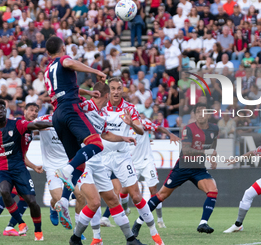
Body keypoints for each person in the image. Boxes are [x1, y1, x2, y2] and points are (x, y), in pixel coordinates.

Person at [86, 77, 163, 245]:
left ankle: (154, 233)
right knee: (95, 198)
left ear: (123, 90)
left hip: (122, 157)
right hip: (101, 157)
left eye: (118, 88)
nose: (115, 91)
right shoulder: (99, 106)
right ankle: (96, 237)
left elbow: (141, 131)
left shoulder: (130, 108)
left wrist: (132, 125)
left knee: (136, 196)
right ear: (108, 91)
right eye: (112, 88)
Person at [70, 81, 146, 245]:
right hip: (84, 161)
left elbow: (105, 134)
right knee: (95, 202)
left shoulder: (99, 114)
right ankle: (76, 238)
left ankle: (130, 239)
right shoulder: (86, 106)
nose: (110, 99)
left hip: (98, 161)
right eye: (109, 94)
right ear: (105, 95)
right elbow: (71, 96)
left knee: (112, 199)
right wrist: (88, 93)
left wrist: (124, 138)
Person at [132, 103, 219, 235]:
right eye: (198, 112)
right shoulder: (188, 129)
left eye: (204, 112)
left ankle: (203, 223)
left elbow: (210, 147)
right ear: (195, 115)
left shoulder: (213, 129)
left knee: (213, 190)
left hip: (198, 168)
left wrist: (212, 157)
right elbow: (186, 149)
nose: (201, 114)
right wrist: (207, 152)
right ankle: (138, 222)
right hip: (183, 167)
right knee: (161, 195)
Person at [44, 36, 106, 193]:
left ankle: (63, 202)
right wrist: (96, 71)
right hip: (70, 108)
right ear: (63, 48)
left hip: (57, 115)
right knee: (96, 144)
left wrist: (88, 92)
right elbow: (69, 62)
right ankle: (67, 170)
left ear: (47, 52)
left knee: (78, 163)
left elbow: (64, 88)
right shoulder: (63, 60)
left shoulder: (47, 71)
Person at [0, 99, 53, 241]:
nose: (34, 113)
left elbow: (24, 152)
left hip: (19, 168)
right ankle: (12, 224)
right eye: (31, 110)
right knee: (6, 192)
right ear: (24, 111)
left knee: (29, 200)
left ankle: (32, 230)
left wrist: (34, 166)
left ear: (6, 111)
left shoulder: (22, 126)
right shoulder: (17, 123)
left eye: (36, 111)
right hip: (3, 169)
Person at [119, 117, 180, 228]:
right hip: (132, 163)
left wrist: (170, 134)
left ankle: (160, 220)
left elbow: (158, 127)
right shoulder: (120, 125)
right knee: (124, 190)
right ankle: (125, 209)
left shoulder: (142, 122)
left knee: (154, 190)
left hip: (147, 162)